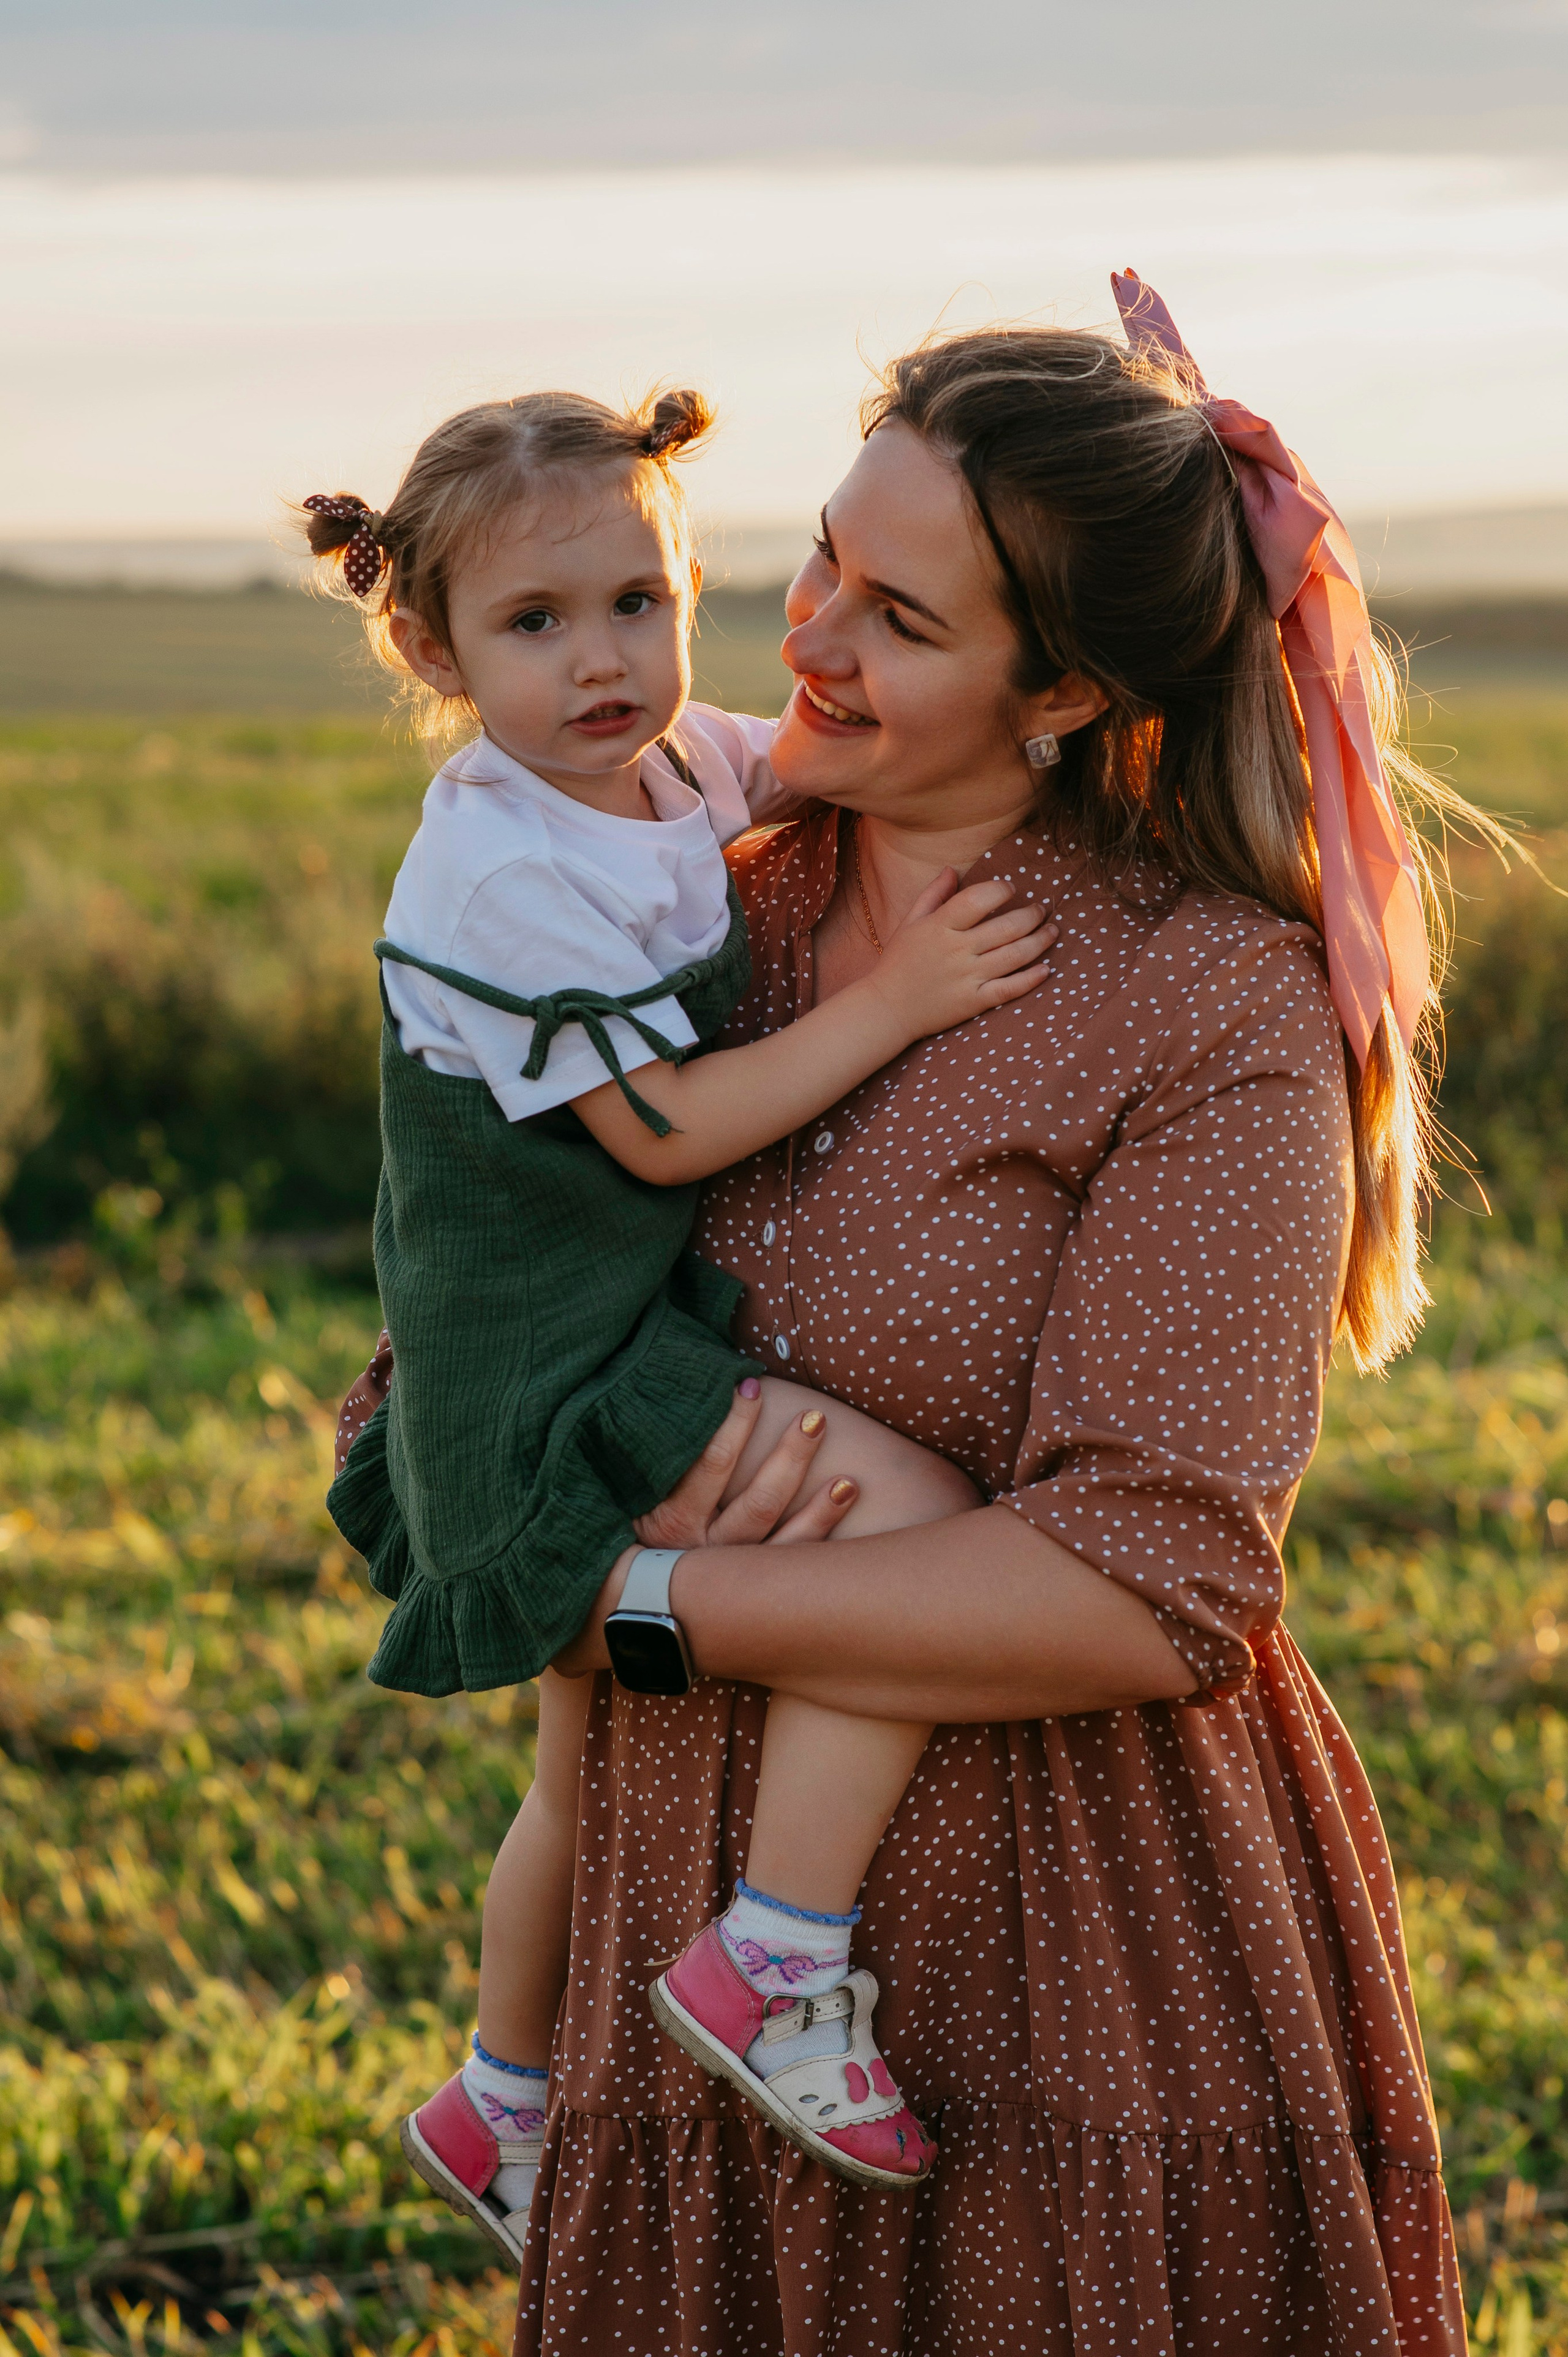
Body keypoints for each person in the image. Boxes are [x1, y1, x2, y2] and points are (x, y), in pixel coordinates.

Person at [511, 276, 1476, 2353]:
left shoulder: (1204, 1005)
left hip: (1065, 1962)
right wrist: (473, 1506)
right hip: (672, 1910)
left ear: (1063, 696)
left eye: (903, 619)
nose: (809, 642)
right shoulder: (672, 919)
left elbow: (1150, 1587)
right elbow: (435, 1366)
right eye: (823, 561)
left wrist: (633, 1595)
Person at [307, 385, 1060, 2259]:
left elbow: (811, 767)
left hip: (577, 1332)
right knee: (922, 1528)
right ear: (431, 644)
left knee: (570, 1772)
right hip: (547, 1376)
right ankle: (778, 1962)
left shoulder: (674, 769)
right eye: (536, 625)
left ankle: (499, 2099)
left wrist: (1041, 736)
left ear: (688, 586)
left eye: (638, 602)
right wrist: (907, 1000)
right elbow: (661, 1136)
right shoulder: (499, 871)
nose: (601, 662)